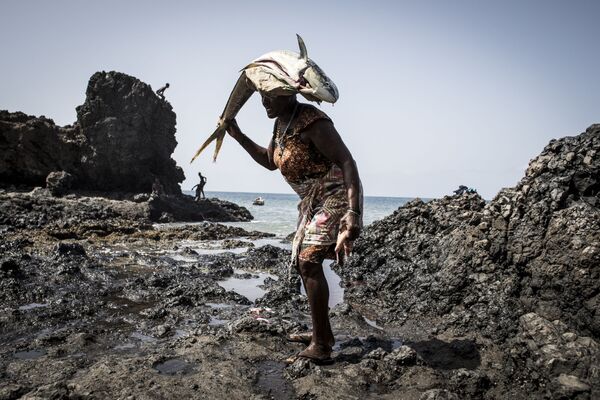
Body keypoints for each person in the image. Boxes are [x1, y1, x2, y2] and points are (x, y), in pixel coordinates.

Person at [226, 92, 363, 364]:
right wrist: (237, 135)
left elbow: (348, 161)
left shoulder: (313, 121)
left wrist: (354, 212)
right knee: (304, 263)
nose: (265, 103)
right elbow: (269, 161)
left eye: (271, 97)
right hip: (312, 200)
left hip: (335, 193)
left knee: (309, 260)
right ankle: (321, 333)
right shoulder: (281, 123)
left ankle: (322, 346)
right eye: (262, 97)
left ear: (288, 93)